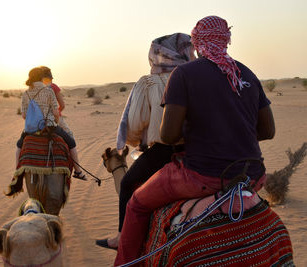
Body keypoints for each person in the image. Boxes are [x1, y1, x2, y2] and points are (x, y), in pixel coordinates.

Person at [114, 16, 275, 266]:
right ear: (226, 40)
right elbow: (268, 131)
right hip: (252, 174)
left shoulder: (184, 74)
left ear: (197, 44)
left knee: (136, 203)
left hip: (202, 175)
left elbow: (167, 136)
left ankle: (125, 263)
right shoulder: (247, 73)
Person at [96, 33, 196, 250]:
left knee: (127, 184)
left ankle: (123, 239)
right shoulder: (199, 77)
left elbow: (135, 121)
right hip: (202, 150)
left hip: (163, 151)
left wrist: (135, 140)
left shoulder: (150, 82)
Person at [16, 66, 86, 180]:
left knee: (19, 146)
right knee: (71, 143)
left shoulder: (25, 94)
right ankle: (78, 171)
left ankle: (18, 173)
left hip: (31, 130)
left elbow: (24, 115)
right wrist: (55, 123)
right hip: (49, 126)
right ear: (41, 78)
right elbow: (56, 112)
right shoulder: (48, 91)